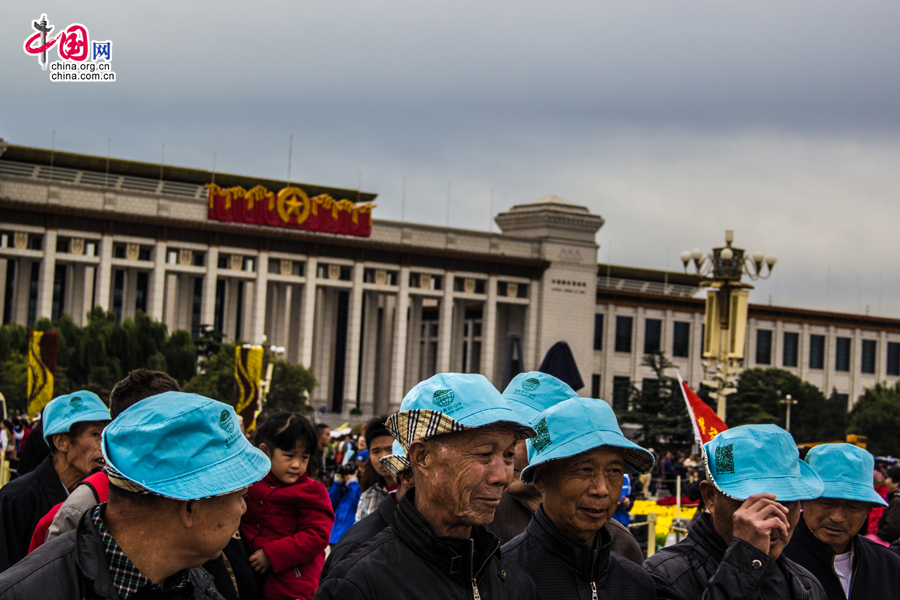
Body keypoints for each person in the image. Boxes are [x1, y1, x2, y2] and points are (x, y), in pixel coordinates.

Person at [0, 391, 270, 599]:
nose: (243, 509)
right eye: (240, 496)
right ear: (189, 505)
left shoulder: (191, 583)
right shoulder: (27, 591)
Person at [315, 372, 539, 600]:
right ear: (421, 457)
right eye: (483, 454)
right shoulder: (358, 586)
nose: (501, 476)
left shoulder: (514, 582)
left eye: (509, 454)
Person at [643, 424, 827, 600]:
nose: (772, 520)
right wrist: (744, 559)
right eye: (751, 504)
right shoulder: (662, 578)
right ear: (710, 497)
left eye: (787, 503)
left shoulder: (807, 585)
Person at [502, 397, 657, 599]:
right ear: (541, 477)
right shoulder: (502, 578)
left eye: (614, 471)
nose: (602, 489)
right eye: (585, 470)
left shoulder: (637, 583)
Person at [491, 371, 644, 564]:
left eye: (524, 434)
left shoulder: (618, 544)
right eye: (502, 434)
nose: (508, 449)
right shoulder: (474, 525)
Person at [0, 391, 110, 572]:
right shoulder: (15, 499)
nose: (104, 443)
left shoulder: (104, 496)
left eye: (106, 434)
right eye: (95, 434)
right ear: (61, 442)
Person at [783, 443, 900, 600]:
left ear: (868, 508)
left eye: (853, 506)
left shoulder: (889, 566)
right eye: (827, 503)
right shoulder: (775, 558)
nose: (837, 518)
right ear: (803, 500)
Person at [241, 412, 333, 600]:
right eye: (289, 456)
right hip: (253, 574)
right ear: (265, 452)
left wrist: (272, 554)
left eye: (304, 457)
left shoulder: (311, 490)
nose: (297, 465)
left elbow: (317, 534)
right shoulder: (250, 482)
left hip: (292, 584)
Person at [320, 440, 414, 579]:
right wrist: (339, 483)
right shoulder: (368, 494)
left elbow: (355, 500)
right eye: (375, 451)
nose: (359, 470)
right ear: (406, 477)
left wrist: (352, 484)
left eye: (362, 467)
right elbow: (330, 502)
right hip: (338, 536)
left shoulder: (359, 487)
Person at [355, 417, 397, 522]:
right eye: (376, 451)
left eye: (390, 449)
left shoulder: (419, 493)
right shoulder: (367, 498)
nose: (383, 457)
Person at [876, 464, 900, 544]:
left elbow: (891, 528)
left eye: (888, 477)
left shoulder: (896, 501)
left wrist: (876, 540)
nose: (886, 481)